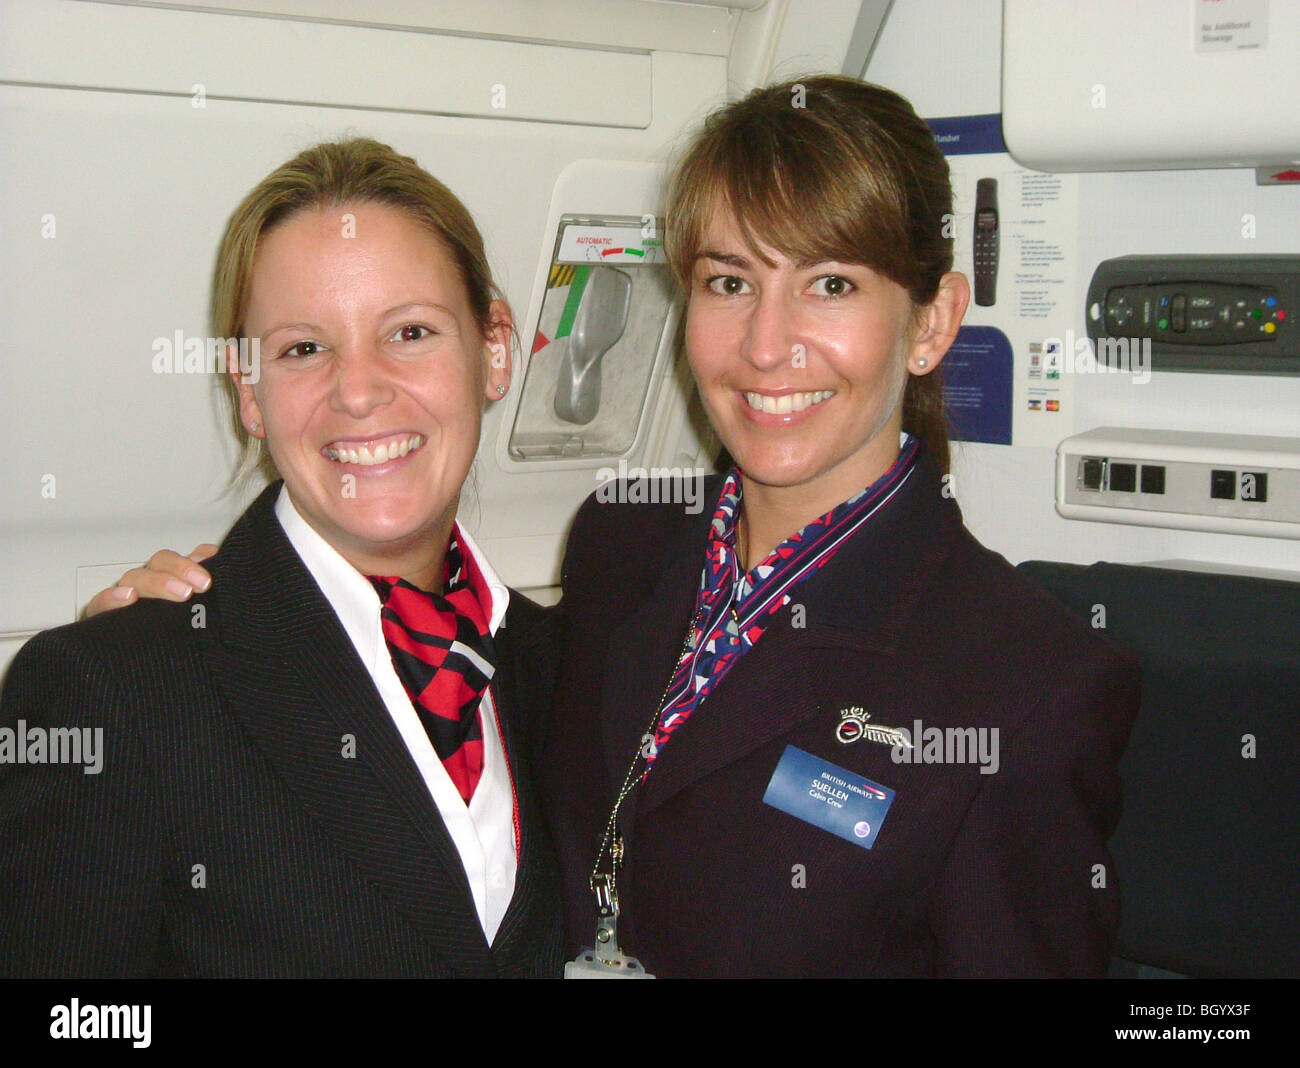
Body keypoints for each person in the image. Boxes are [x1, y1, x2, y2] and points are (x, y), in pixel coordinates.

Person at [82, 78, 1142, 979]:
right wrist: (174, 657)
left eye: (829, 284)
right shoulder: (622, 548)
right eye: (729, 281)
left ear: (932, 322)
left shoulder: (1024, 687)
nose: (767, 347)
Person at [0, 139, 563, 977]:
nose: (361, 391)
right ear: (248, 392)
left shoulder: (561, 664)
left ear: (494, 349)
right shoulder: (111, 691)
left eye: (410, 331)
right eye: (304, 349)